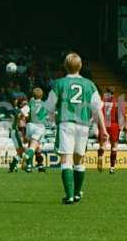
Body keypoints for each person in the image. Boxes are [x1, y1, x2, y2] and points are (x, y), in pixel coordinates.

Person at [46, 52, 108, 204]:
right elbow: (97, 109)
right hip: (83, 125)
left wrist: (54, 120)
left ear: (65, 66)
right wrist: (103, 129)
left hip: (66, 123)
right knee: (79, 159)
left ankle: (69, 196)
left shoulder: (59, 84)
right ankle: (77, 193)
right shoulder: (89, 84)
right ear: (80, 66)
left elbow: (49, 107)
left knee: (66, 159)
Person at [98, 87, 127, 174]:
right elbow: (123, 115)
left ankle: (100, 156)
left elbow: (97, 113)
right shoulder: (117, 102)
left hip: (104, 124)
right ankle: (112, 168)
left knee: (102, 145)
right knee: (114, 147)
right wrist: (124, 125)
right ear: (114, 93)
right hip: (114, 125)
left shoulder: (102, 102)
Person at [22, 88, 49, 173]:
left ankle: (34, 165)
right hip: (39, 126)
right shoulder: (45, 104)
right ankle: (26, 156)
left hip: (30, 125)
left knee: (35, 146)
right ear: (42, 95)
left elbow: (23, 112)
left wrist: (27, 117)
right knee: (33, 147)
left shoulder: (30, 103)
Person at [8, 97, 28, 172]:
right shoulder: (18, 111)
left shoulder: (19, 110)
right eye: (24, 103)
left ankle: (13, 166)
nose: (26, 104)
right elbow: (20, 122)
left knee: (20, 152)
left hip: (15, 132)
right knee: (21, 151)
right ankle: (15, 165)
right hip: (16, 131)